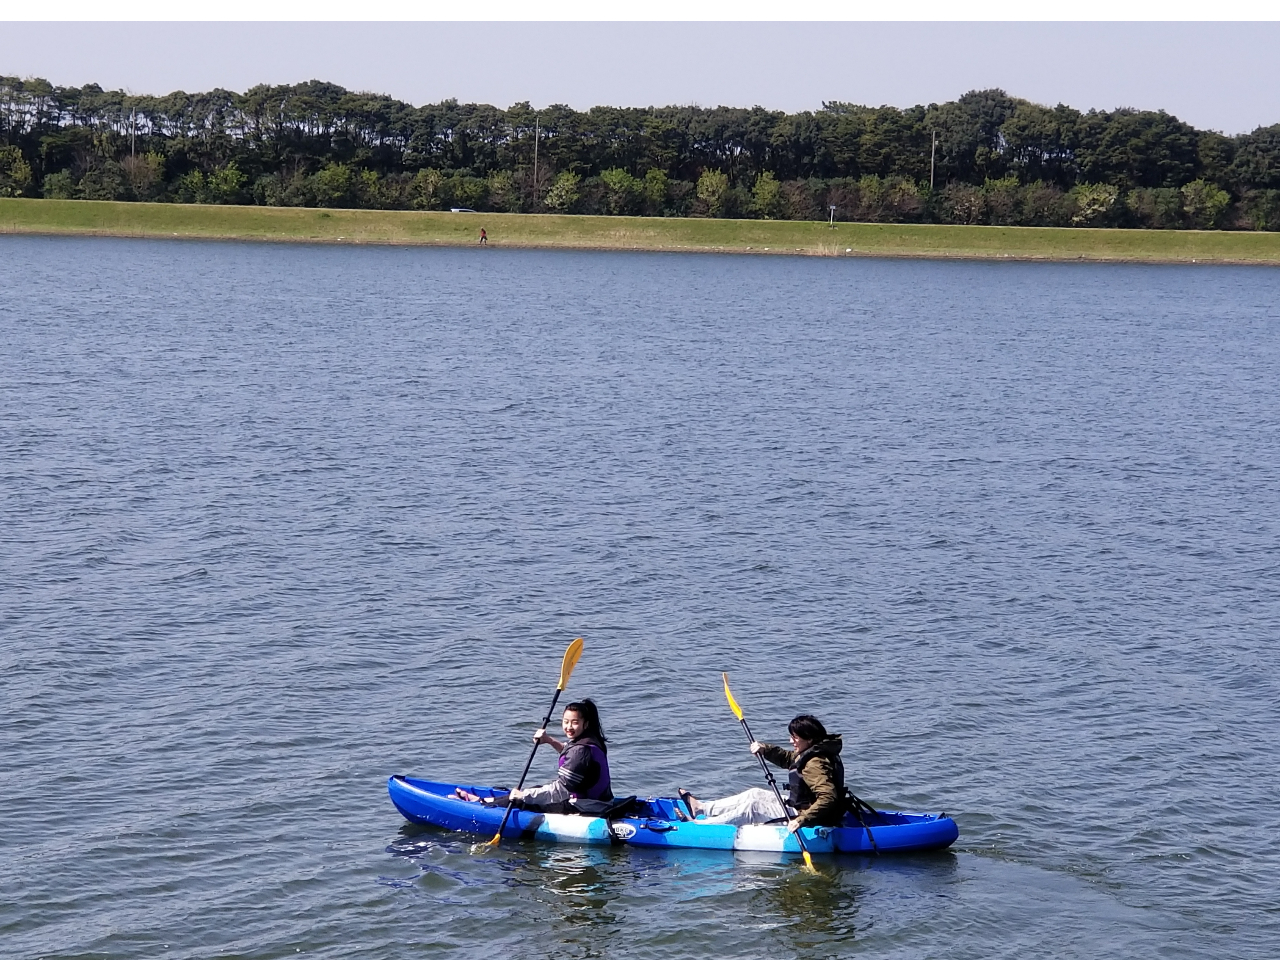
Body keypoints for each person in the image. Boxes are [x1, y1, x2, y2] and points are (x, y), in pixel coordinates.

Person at [677, 714, 845, 832]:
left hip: (810, 817)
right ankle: (701, 808)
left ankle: (699, 826)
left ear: (809, 738)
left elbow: (828, 797)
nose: (791, 741)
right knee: (754, 793)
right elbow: (789, 759)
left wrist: (802, 819)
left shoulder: (815, 763)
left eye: (795, 738)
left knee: (752, 808)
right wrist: (765, 749)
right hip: (801, 807)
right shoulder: (812, 751)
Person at [455, 699, 611, 813]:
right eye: (565, 722)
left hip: (586, 807)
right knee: (535, 790)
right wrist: (549, 740)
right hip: (597, 801)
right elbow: (569, 752)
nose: (569, 727)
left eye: (574, 722)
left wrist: (524, 796)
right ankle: (483, 801)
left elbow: (560, 790)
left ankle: (481, 806)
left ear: (586, 724)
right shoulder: (590, 740)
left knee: (522, 802)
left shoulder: (581, 750)